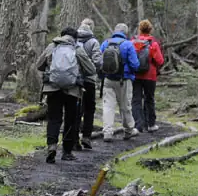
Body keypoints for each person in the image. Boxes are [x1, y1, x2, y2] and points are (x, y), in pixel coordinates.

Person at [36, 27, 96, 163]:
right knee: (71, 120)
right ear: (75, 38)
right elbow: (91, 69)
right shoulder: (77, 49)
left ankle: (51, 146)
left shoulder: (52, 46)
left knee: (54, 118)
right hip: (73, 90)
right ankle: (67, 152)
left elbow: (39, 65)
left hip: (52, 88)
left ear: (61, 35)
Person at [99, 23, 140, 141]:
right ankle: (129, 130)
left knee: (108, 106)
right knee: (125, 106)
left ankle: (107, 132)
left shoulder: (105, 43)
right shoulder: (128, 44)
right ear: (125, 33)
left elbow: (100, 61)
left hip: (107, 80)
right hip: (124, 80)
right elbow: (135, 65)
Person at [131, 19, 165, 133]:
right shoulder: (153, 43)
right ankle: (150, 124)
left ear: (139, 29)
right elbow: (160, 61)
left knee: (136, 99)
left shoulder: (133, 42)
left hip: (136, 75)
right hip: (150, 76)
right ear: (150, 29)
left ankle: (138, 125)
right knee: (149, 99)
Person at [73, 20, 102, 150]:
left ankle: (73, 139)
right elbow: (98, 62)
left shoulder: (73, 41)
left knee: (76, 110)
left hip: (75, 81)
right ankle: (86, 137)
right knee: (89, 109)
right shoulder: (94, 42)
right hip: (89, 81)